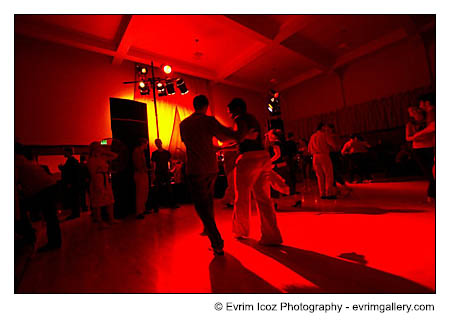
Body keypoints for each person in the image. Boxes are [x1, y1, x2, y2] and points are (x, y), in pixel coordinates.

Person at [180, 95, 253, 256]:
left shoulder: (183, 124)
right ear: (206, 106)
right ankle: (208, 229)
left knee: (201, 205)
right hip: (211, 168)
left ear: (194, 106)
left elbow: (191, 144)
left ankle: (216, 241)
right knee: (208, 200)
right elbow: (225, 135)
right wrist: (242, 133)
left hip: (195, 168)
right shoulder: (209, 121)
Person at [228, 98, 283, 246]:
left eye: (230, 110)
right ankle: (271, 236)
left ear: (237, 109)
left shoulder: (240, 119)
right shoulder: (253, 118)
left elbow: (238, 137)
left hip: (248, 159)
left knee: (242, 197)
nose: (230, 114)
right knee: (264, 198)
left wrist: (231, 139)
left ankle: (241, 231)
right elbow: (245, 138)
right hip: (263, 157)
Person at [15, 143, 62, 252]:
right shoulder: (25, 161)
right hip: (50, 186)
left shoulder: (16, 162)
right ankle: (55, 242)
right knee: (51, 217)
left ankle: (30, 235)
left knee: (23, 209)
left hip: (44, 190)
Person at [406, 106, 435, 200]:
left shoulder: (428, 122)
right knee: (428, 172)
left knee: (433, 171)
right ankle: (431, 193)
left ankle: (431, 193)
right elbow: (408, 138)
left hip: (430, 147)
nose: (418, 116)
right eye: (416, 114)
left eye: (420, 114)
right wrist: (418, 135)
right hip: (418, 149)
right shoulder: (410, 124)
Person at [87, 142, 119, 226]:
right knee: (98, 202)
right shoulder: (92, 160)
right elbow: (92, 173)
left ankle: (111, 219)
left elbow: (115, 156)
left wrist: (104, 152)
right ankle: (100, 222)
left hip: (105, 179)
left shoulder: (102, 157)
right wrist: (96, 185)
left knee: (109, 200)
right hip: (98, 180)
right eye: (98, 147)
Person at [308, 123, 338, 199]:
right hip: (323, 155)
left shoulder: (312, 136)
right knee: (328, 175)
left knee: (319, 176)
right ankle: (329, 193)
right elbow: (333, 144)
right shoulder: (324, 135)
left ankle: (322, 193)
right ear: (322, 127)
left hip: (315, 157)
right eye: (325, 126)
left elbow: (309, 149)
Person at [151, 138, 177, 211]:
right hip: (160, 172)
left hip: (163, 172)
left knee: (165, 188)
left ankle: (158, 206)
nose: (158, 144)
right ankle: (160, 205)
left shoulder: (157, 153)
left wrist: (171, 168)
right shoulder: (161, 153)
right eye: (157, 143)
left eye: (158, 143)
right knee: (161, 188)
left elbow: (170, 161)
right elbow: (153, 164)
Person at [59, 148, 81, 220]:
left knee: (74, 198)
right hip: (74, 183)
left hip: (72, 183)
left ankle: (75, 213)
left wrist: (69, 182)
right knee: (75, 198)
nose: (64, 154)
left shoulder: (71, 161)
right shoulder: (73, 161)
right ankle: (76, 213)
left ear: (68, 152)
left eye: (65, 152)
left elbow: (70, 173)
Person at [133, 138, 150, 219]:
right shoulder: (137, 152)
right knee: (140, 193)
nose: (147, 145)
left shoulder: (141, 152)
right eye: (146, 143)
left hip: (142, 173)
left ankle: (142, 209)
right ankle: (139, 212)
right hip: (140, 174)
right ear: (143, 143)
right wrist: (144, 169)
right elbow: (138, 164)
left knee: (144, 192)